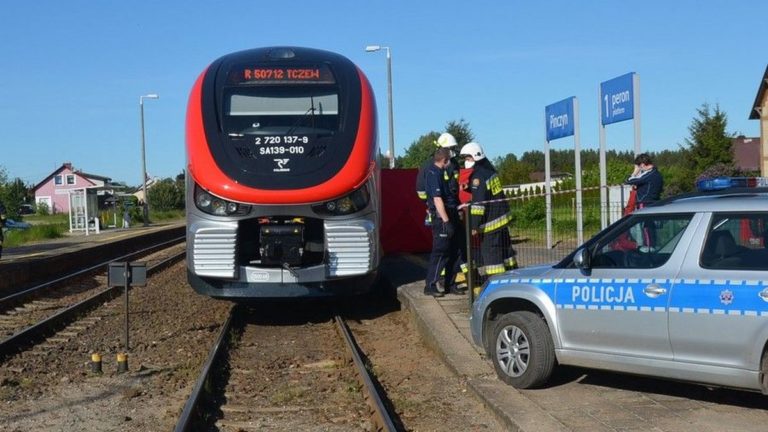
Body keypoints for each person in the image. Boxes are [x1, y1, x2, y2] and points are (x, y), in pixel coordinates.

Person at [460, 142, 517, 282]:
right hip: (502, 219)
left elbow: (479, 204)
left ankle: (497, 283)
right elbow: (489, 192)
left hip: (491, 223)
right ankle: (514, 277)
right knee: (506, 251)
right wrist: (469, 189)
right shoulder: (489, 172)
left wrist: (474, 225)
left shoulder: (477, 177)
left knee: (491, 255)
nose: (466, 161)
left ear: (475, 156)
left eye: (468, 158)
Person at [424, 147, 463, 297]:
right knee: (441, 252)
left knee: (455, 251)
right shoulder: (433, 173)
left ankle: (450, 283)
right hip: (442, 219)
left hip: (450, 215)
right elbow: (438, 199)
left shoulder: (441, 172)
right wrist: (446, 222)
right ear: (445, 160)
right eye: (449, 160)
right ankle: (431, 284)